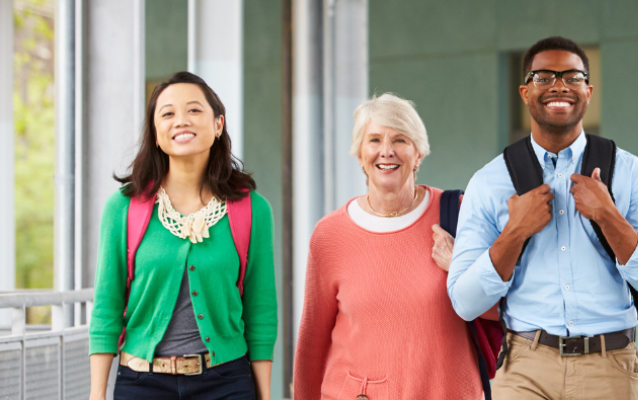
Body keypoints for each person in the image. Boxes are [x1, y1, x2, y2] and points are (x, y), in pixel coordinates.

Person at [446, 36, 638, 400]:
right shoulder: (490, 181)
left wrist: (608, 215)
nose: (558, 86)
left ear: (588, 90)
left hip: (609, 367)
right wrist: (515, 232)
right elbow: (465, 301)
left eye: (572, 77)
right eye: (544, 77)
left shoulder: (629, 172)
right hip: (523, 366)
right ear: (525, 92)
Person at [89, 72, 276, 400]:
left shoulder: (252, 210)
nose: (181, 121)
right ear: (156, 133)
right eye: (168, 113)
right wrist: (96, 393)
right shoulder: (123, 208)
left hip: (226, 382)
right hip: (141, 384)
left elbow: (260, 311)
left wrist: (264, 394)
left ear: (218, 125)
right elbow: (107, 307)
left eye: (193, 110)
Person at [292, 93, 488, 399]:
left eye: (399, 140)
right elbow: (312, 344)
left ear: (418, 153)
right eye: (374, 140)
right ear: (359, 154)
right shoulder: (329, 234)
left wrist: (460, 269)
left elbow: (502, 311)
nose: (386, 152)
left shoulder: (460, 214)